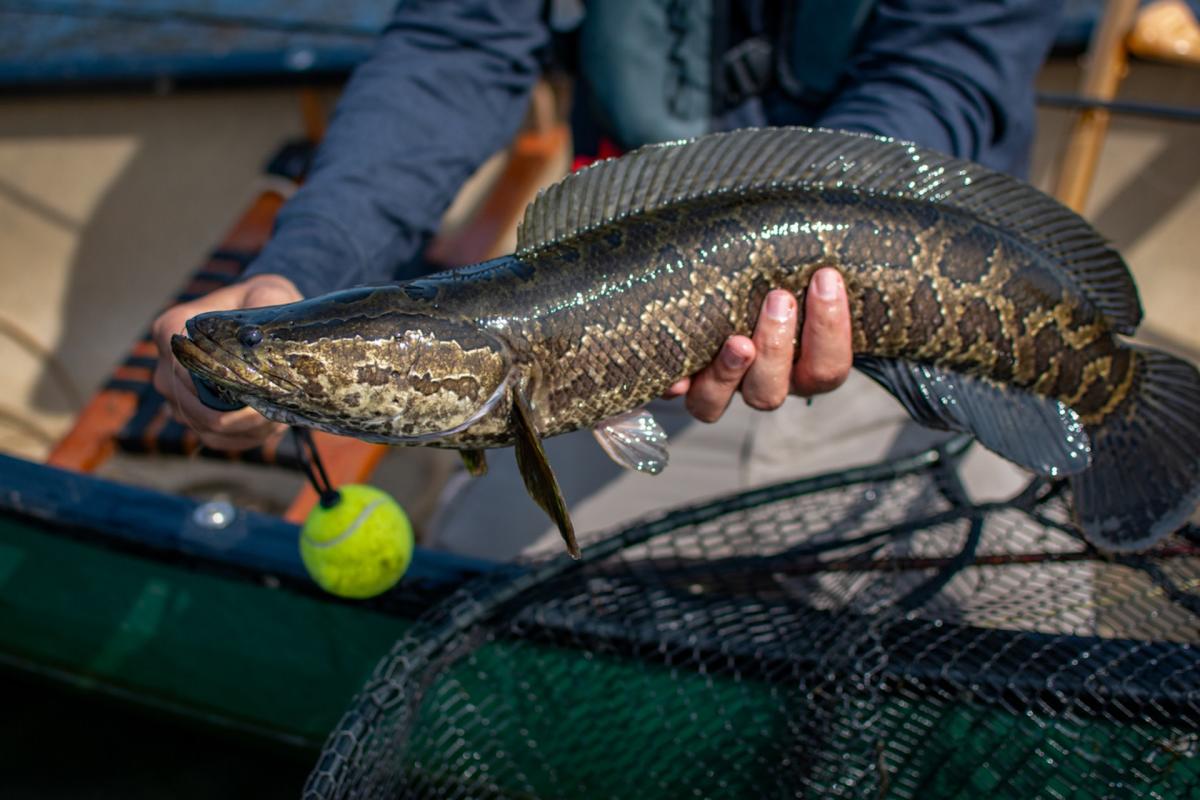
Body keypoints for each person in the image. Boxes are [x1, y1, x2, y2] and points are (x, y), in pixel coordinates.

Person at [153, 0, 1064, 558]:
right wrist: (302, 270)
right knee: (473, 594)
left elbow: (947, 74)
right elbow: (454, 48)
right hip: (633, 365)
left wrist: (780, 257)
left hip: (922, 358)